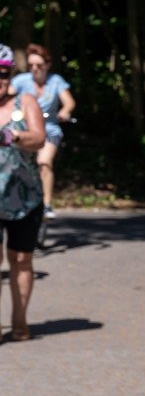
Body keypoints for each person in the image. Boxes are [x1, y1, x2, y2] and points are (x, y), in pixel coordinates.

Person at [0, 44, 47, 342]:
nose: (0, 80)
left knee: (20, 260)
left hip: (24, 198)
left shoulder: (25, 101)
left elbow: (39, 138)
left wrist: (13, 135)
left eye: (4, 74)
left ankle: (20, 321)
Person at [9, 43, 75, 221]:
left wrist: (65, 112)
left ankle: (46, 205)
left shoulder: (56, 81)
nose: (35, 69)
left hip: (49, 130)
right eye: (31, 66)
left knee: (44, 162)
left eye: (39, 65)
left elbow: (69, 102)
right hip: (24, 131)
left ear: (47, 64)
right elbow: (7, 96)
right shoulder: (21, 81)